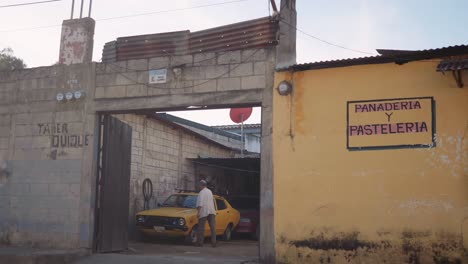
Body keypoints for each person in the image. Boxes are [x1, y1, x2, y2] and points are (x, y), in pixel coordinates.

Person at [195, 180, 216, 247]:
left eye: (199, 185)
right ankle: (214, 243)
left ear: (201, 185)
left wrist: (198, 212)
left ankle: (200, 243)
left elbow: (200, 203)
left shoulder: (201, 192)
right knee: (213, 227)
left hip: (204, 211)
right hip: (212, 211)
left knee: (201, 228)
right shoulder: (210, 191)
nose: (198, 186)